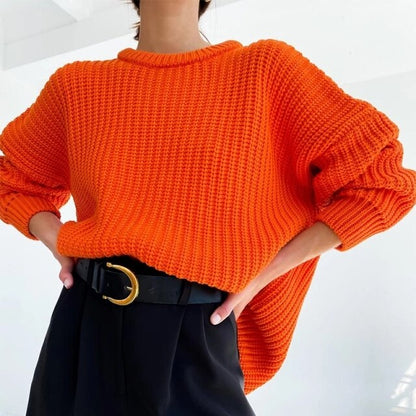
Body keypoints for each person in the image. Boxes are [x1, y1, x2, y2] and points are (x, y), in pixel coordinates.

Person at [1, 0, 416, 415]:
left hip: (198, 325)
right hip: (85, 320)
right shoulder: (78, 88)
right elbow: (12, 179)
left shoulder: (265, 72)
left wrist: (262, 276)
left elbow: (383, 182)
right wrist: (57, 240)